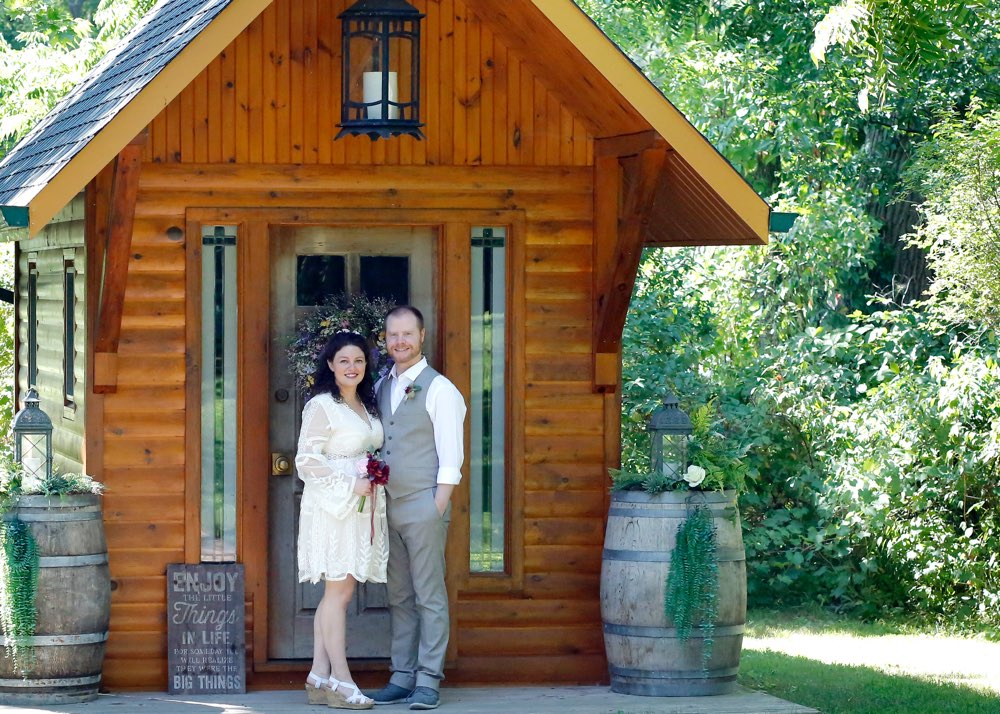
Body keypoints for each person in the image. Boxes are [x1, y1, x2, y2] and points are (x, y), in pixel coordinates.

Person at [368, 306, 467, 711]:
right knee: (399, 595)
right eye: (393, 335)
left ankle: (428, 679)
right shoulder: (380, 386)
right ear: (386, 340)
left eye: (407, 334)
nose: (400, 342)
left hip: (423, 505)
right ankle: (402, 675)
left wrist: (436, 505)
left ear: (422, 336)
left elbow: (451, 456)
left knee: (429, 594)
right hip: (386, 507)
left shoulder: (441, 389)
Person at [296, 331, 387, 710]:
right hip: (333, 508)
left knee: (341, 592)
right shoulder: (321, 405)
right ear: (330, 365)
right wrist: (352, 480)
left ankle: (318, 674)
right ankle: (342, 680)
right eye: (345, 361)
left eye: (359, 361)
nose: (353, 367)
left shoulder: (368, 405)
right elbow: (306, 460)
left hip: (360, 508)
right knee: (339, 593)